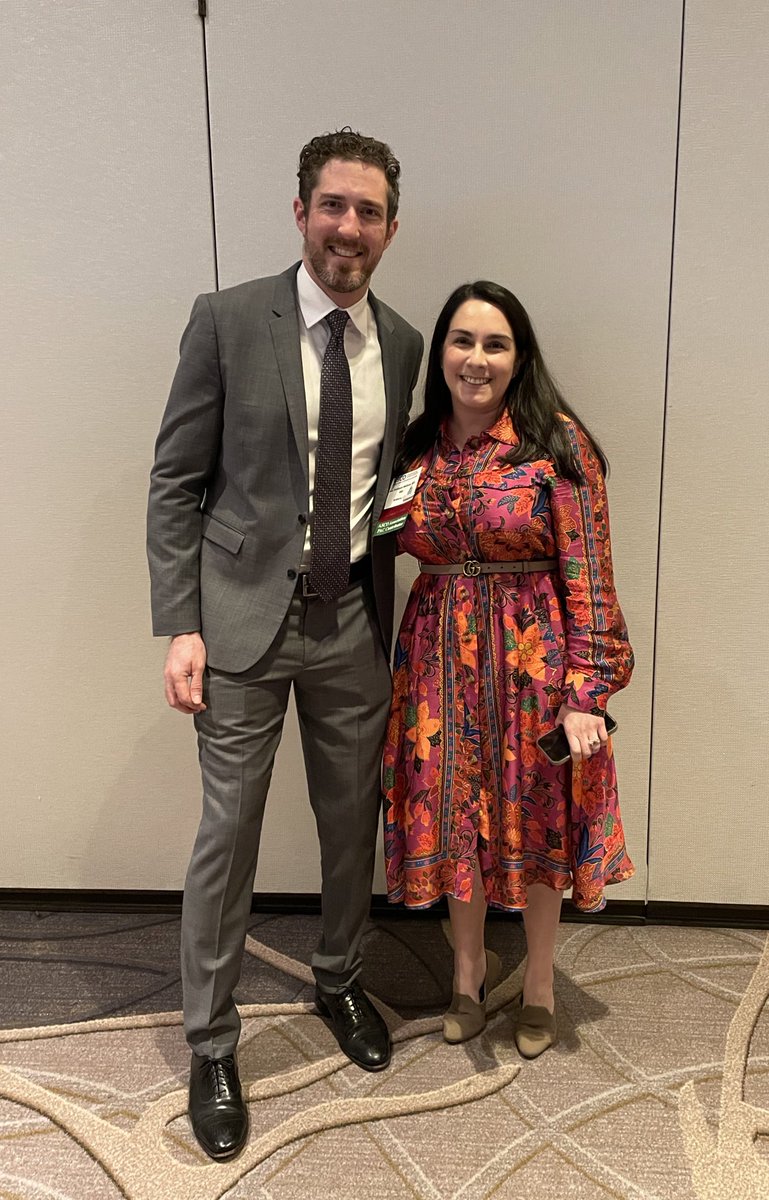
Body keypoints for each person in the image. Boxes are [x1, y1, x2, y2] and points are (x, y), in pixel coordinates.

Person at [147, 129, 423, 1161]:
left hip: (350, 623)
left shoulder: (398, 342)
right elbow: (176, 482)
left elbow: (394, 495)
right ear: (300, 210)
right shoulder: (226, 322)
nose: (348, 228)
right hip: (239, 625)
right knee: (230, 832)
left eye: (368, 212)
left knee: (354, 824)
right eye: (333, 206)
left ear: (392, 228)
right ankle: (211, 1041)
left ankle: (341, 979)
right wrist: (181, 622)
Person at [382, 281, 633, 1058]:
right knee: (452, 813)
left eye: (495, 344)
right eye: (462, 341)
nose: (476, 359)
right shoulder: (414, 448)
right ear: (442, 353)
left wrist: (586, 692)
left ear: (518, 357)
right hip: (433, 667)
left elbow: (590, 574)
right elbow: (374, 541)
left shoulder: (555, 445)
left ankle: (538, 984)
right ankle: (465, 972)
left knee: (533, 821)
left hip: (534, 668)